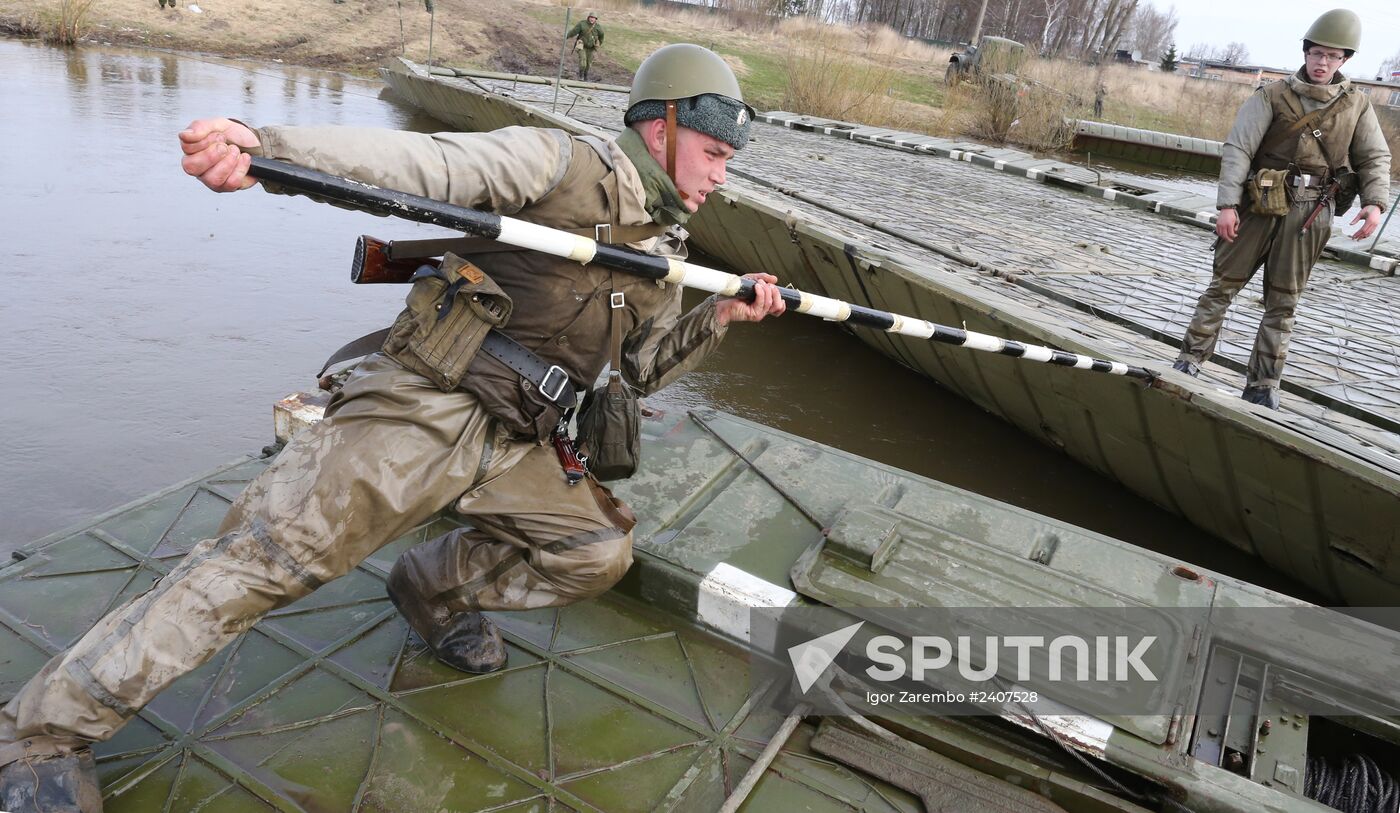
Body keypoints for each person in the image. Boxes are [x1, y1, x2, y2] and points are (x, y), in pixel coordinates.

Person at [0, 43, 784, 812]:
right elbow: (431, 166)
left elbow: (640, 368)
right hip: (425, 404)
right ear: (663, 129)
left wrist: (718, 314)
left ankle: (429, 588)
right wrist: (269, 148)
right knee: (266, 561)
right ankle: (43, 732)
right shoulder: (560, 164)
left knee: (595, 550)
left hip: (519, 437)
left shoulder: (669, 248)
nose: (722, 175)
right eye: (714, 152)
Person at [1172, 8, 1390, 410]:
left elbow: (1374, 157)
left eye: (1332, 56)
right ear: (1305, 53)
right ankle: (1189, 360)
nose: (1322, 63)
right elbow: (1238, 150)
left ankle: (1263, 384)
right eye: (1317, 54)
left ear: (1344, 61)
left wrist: (1375, 203)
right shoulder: (1272, 95)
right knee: (1222, 286)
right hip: (1258, 205)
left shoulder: (1357, 106)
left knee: (1284, 301)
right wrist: (1227, 206)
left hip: (1309, 214)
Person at [567, 12, 604, 81]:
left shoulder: (598, 27)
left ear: (596, 19)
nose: (592, 19)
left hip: (591, 48)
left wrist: (598, 44)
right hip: (582, 46)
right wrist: (567, 36)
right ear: (588, 17)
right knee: (583, 62)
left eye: (594, 18)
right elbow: (574, 31)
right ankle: (581, 76)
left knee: (588, 64)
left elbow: (601, 36)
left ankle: (585, 75)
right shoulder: (582, 24)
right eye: (591, 17)